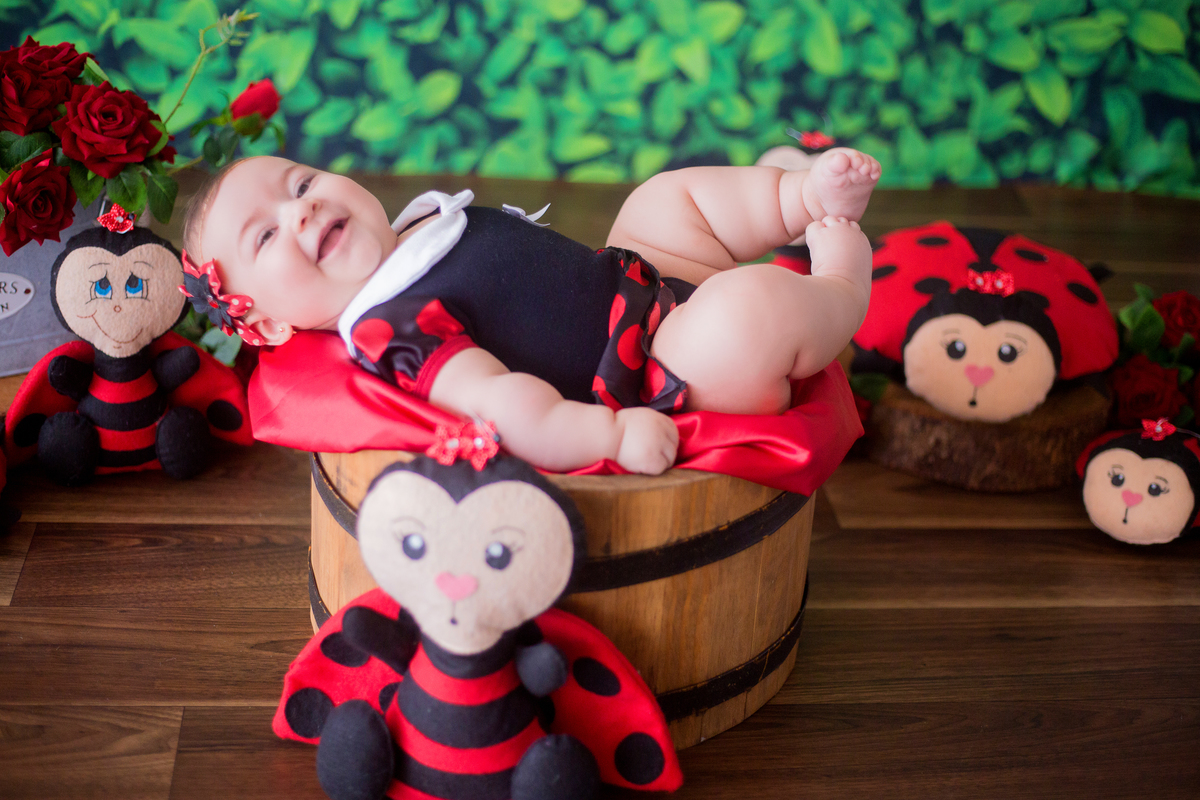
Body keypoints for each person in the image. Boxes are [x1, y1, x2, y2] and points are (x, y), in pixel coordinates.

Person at [181, 150, 881, 475]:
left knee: (663, 201)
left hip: (637, 278)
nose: (299, 206)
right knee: (741, 314)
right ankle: (842, 287)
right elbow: (498, 400)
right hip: (656, 373)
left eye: (300, 181)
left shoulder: (420, 224)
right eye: (266, 234)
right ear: (268, 323)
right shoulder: (390, 326)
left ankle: (799, 195)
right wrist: (605, 436)